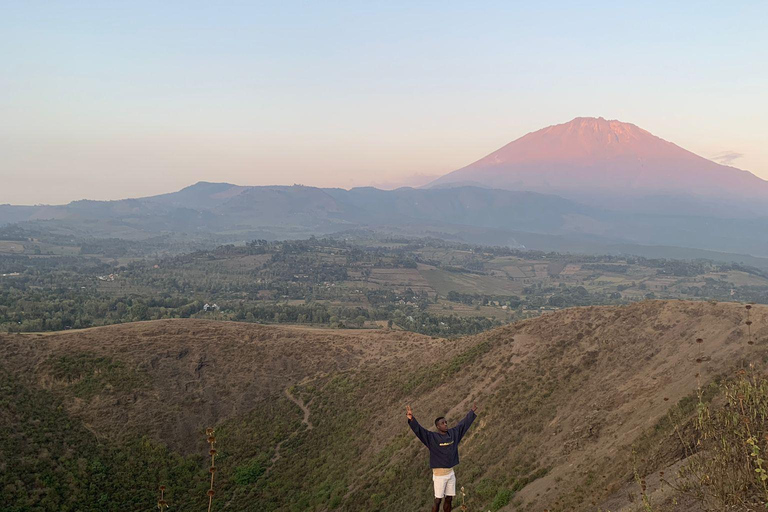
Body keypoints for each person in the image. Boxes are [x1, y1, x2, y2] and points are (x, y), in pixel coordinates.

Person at [406, 404, 477, 512]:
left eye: (446, 422)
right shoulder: (432, 438)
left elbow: (463, 425)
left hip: (450, 473)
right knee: (438, 500)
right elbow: (420, 431)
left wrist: (471, 412)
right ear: (438, 427)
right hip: (439, 475)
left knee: (449, 498)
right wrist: (412, 419)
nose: (445, 424)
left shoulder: (453, 434)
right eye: (442, 423)